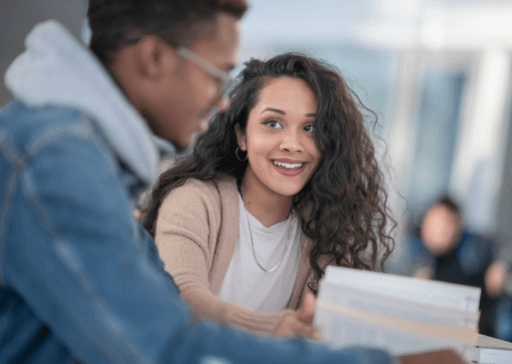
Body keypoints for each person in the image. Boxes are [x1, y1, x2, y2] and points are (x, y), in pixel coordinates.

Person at [0, 0, 466, 363]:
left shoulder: (81, 154)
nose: (219, 101)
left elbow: (161, 303)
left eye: (311, 128)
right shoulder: (57, 160)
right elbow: (164, 348)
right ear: (155, 58)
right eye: (216, 76)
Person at [142, 53, 394, 338]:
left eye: (311, 128)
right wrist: (271, 327)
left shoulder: (328, 229)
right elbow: (181, 294)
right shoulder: (195, 201)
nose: (292, 144)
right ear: (242, 136)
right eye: (273, 123)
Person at [408, 196, 511, 339]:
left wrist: (501, 265)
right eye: (438, 222)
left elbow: (503, 246)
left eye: (450, 223)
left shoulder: (475, 246)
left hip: (484, 332)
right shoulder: (413, 255)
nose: (443, 230)